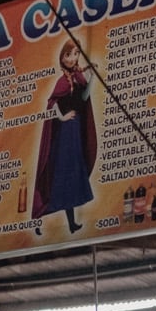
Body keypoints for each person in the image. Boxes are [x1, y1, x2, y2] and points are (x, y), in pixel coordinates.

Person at [34, 40, 97, 236]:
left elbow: (83, 99)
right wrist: (62, 117)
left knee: (71, 175)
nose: (73, 58)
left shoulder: (78, 77)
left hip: (75, 131)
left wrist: (91, 79)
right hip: (64, 134)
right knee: (62, 174)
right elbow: (51, 103)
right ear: (62, 58)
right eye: (68, 54)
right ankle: (39, 220)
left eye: (76, 53)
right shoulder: (62, 81)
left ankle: (71, 224)